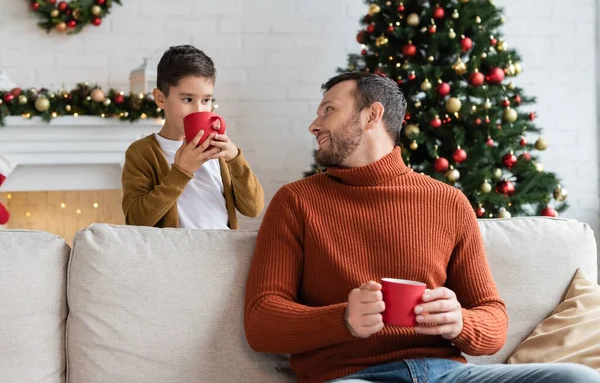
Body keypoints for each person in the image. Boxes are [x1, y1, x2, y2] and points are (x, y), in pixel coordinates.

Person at [243, 71, 600, 383]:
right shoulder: (296, 201)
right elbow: (261, 321)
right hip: (352, 376)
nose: (314, 124)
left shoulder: (448, 202)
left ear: (372, 115)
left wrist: (460, 322)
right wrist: (344, 319)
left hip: (448, 374)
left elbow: (493, 318)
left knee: (576, 377)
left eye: (329, 110)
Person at [122, 45, 263, 229]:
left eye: (206, 100)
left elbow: (253, 208)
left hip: (223, 250)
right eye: (187, 99)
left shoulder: (218, 151)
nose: (199, 110)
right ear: (160, 98)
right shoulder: (141, 152)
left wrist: (235, 158)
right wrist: (180, 172)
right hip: (177, 254)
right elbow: (136, 220)